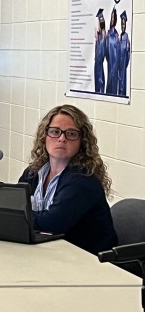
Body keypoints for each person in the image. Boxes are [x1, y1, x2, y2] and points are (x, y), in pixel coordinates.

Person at [18, 105, 117, 255]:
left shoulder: (82, 180)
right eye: (55, 132)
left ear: (81, 141)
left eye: (71, 134)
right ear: (44, 136)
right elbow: (14, 205)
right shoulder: (34, 172)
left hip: (89, 262)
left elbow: (52, 224)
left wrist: (20, 217)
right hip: (52, 253)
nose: (62, 139)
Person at [105, 8, 120, 95]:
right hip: (110, 60)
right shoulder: (107, 33)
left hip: (116, 60)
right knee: (110, 79)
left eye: (114, 18)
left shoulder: (116, 34)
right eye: (111, 17)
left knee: (115, 79)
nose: (112, 20)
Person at [93, 8, 107, 93]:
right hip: (97, 63)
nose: (101, 21)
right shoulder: (97, 36)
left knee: (101, 81)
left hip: (101, 62)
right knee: (97, 84)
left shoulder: (105, 36)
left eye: (102, 19)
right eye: (100, 19)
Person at [118, 10, 131, 96]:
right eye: (122, 24)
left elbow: (128, 53)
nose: (123, 26)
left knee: (123, 82)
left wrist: (127, 49)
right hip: (118, 63)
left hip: (123, 63)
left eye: (124, 24)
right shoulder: (119, 36)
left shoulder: (126, 37)